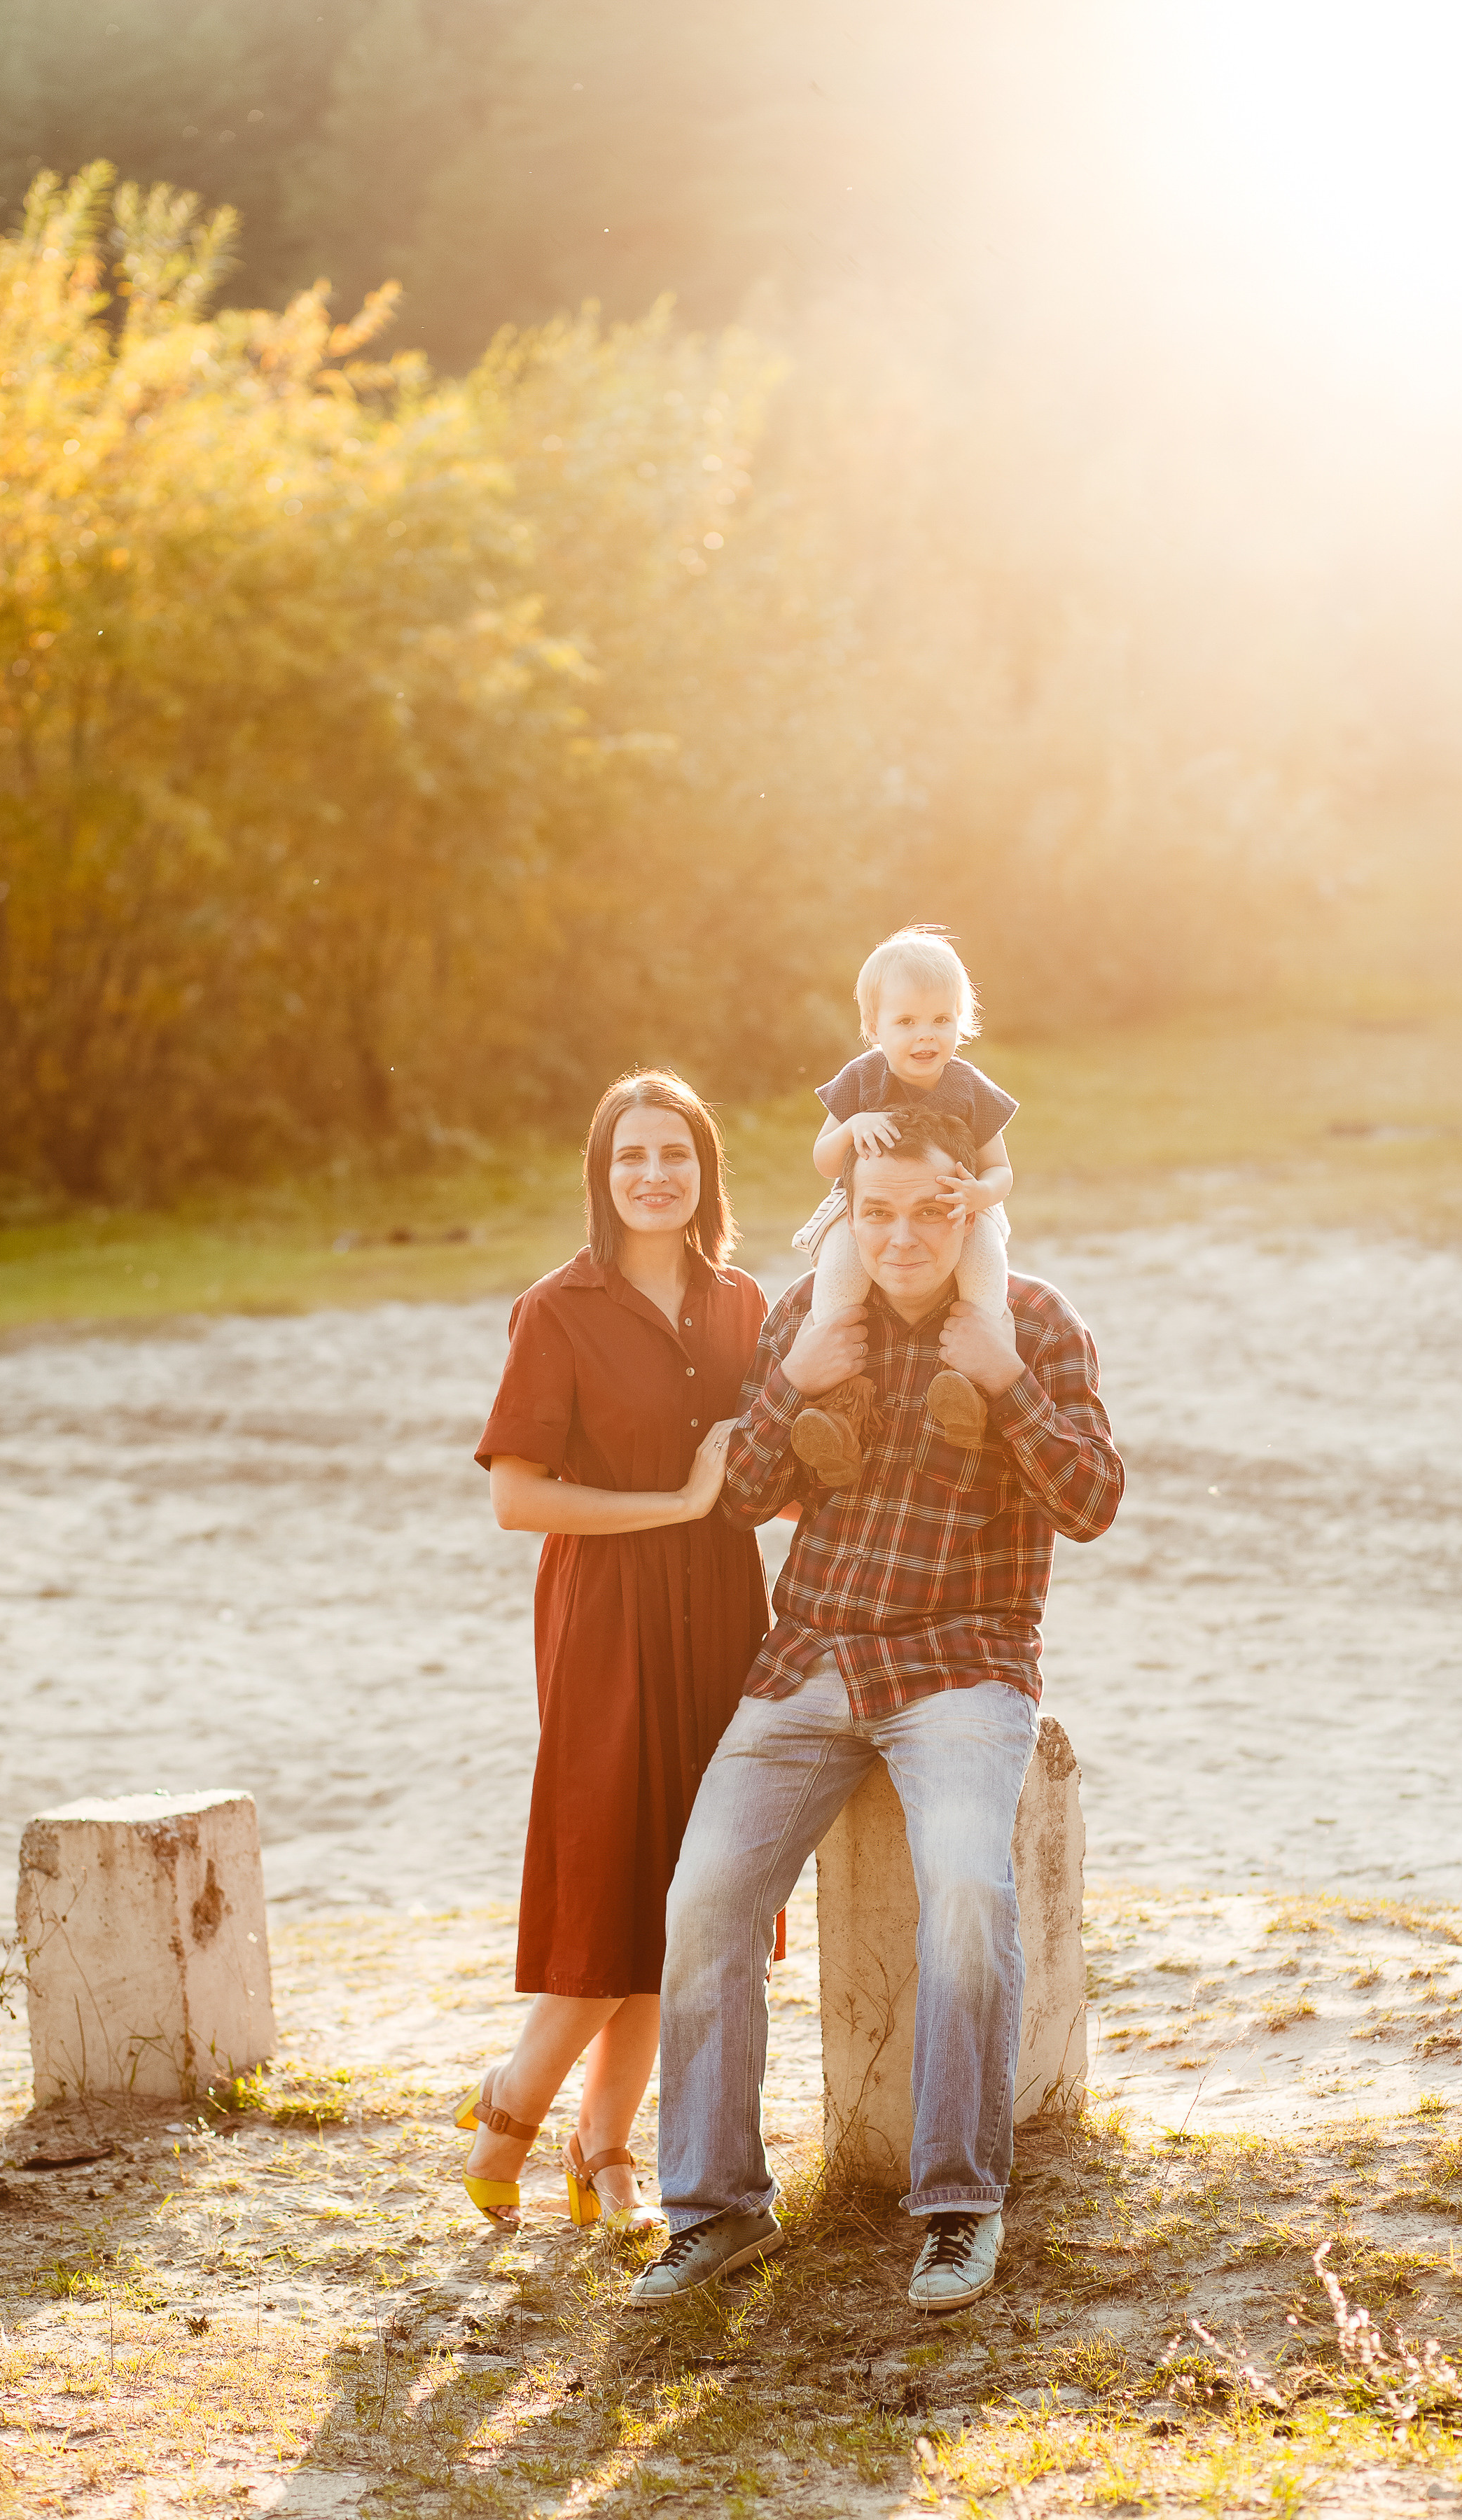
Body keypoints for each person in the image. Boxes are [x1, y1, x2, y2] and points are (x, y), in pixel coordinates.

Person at [627, 1110, 1125, 2314]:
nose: (903, 1236)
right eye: (877, 1211)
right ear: (847, 1211)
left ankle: (959, 2206)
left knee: (964, 1887)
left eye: (932, 1213)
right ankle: (716, 2210)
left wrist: (1004, 1385)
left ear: (974, 1214)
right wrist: (794, 1383)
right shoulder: (809, 1316)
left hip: (961, 1667)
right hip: (808, 1663)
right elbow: (742, 1499)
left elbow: (1093, 1501)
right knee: (703, 1903)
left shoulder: (1034, 1323)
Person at [465, 1070, 771, 2236]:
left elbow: (760, 1476)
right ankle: (514, 2103)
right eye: (631, 1155)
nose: (654, 1175)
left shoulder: (744, 1301)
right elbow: (515, 1500)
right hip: (605, 1617)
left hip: (719, 1614)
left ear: (705, 1174)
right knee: (609, 1884)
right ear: (602, 1173)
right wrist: (680, 1501)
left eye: (676, 1155)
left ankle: (606, 2152)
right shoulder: (559, 1308)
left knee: (687, 1895)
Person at [788, 925, 1017, 1486]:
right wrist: (852, 1129)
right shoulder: (861, 1081)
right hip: (863, 1212)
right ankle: (838, 1411)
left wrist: (980, 1196)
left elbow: (1001, 1169)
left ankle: (974, 1389)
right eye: (907, 1022)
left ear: (961, 1022)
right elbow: (823, 1159)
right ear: (875, 1028)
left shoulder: (968, 1088)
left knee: (986, 1265)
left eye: (942, 1020)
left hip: (956, 1207)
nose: (926, 1036)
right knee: (838, 1279)